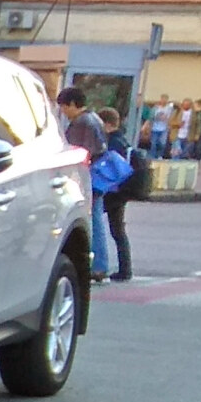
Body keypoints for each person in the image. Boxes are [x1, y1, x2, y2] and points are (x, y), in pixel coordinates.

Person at [58, 87, 111, 279]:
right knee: (96, 220)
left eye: (64, 106)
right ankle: (100, 264)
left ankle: (98, 266)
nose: (63, 111)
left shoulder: (82, 122)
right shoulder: (94, 118)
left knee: (93, 221)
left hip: (87, 178)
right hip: (97, 176)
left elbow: (78, 152)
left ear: (73, 104)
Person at [97, 107, 140, 281]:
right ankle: (125, 269)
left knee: (102, 226)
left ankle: (113, 268)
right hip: (121, 191)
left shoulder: (113, 143)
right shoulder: (123, 141)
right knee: (118, 230)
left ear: (107, 124)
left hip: (112, 191)